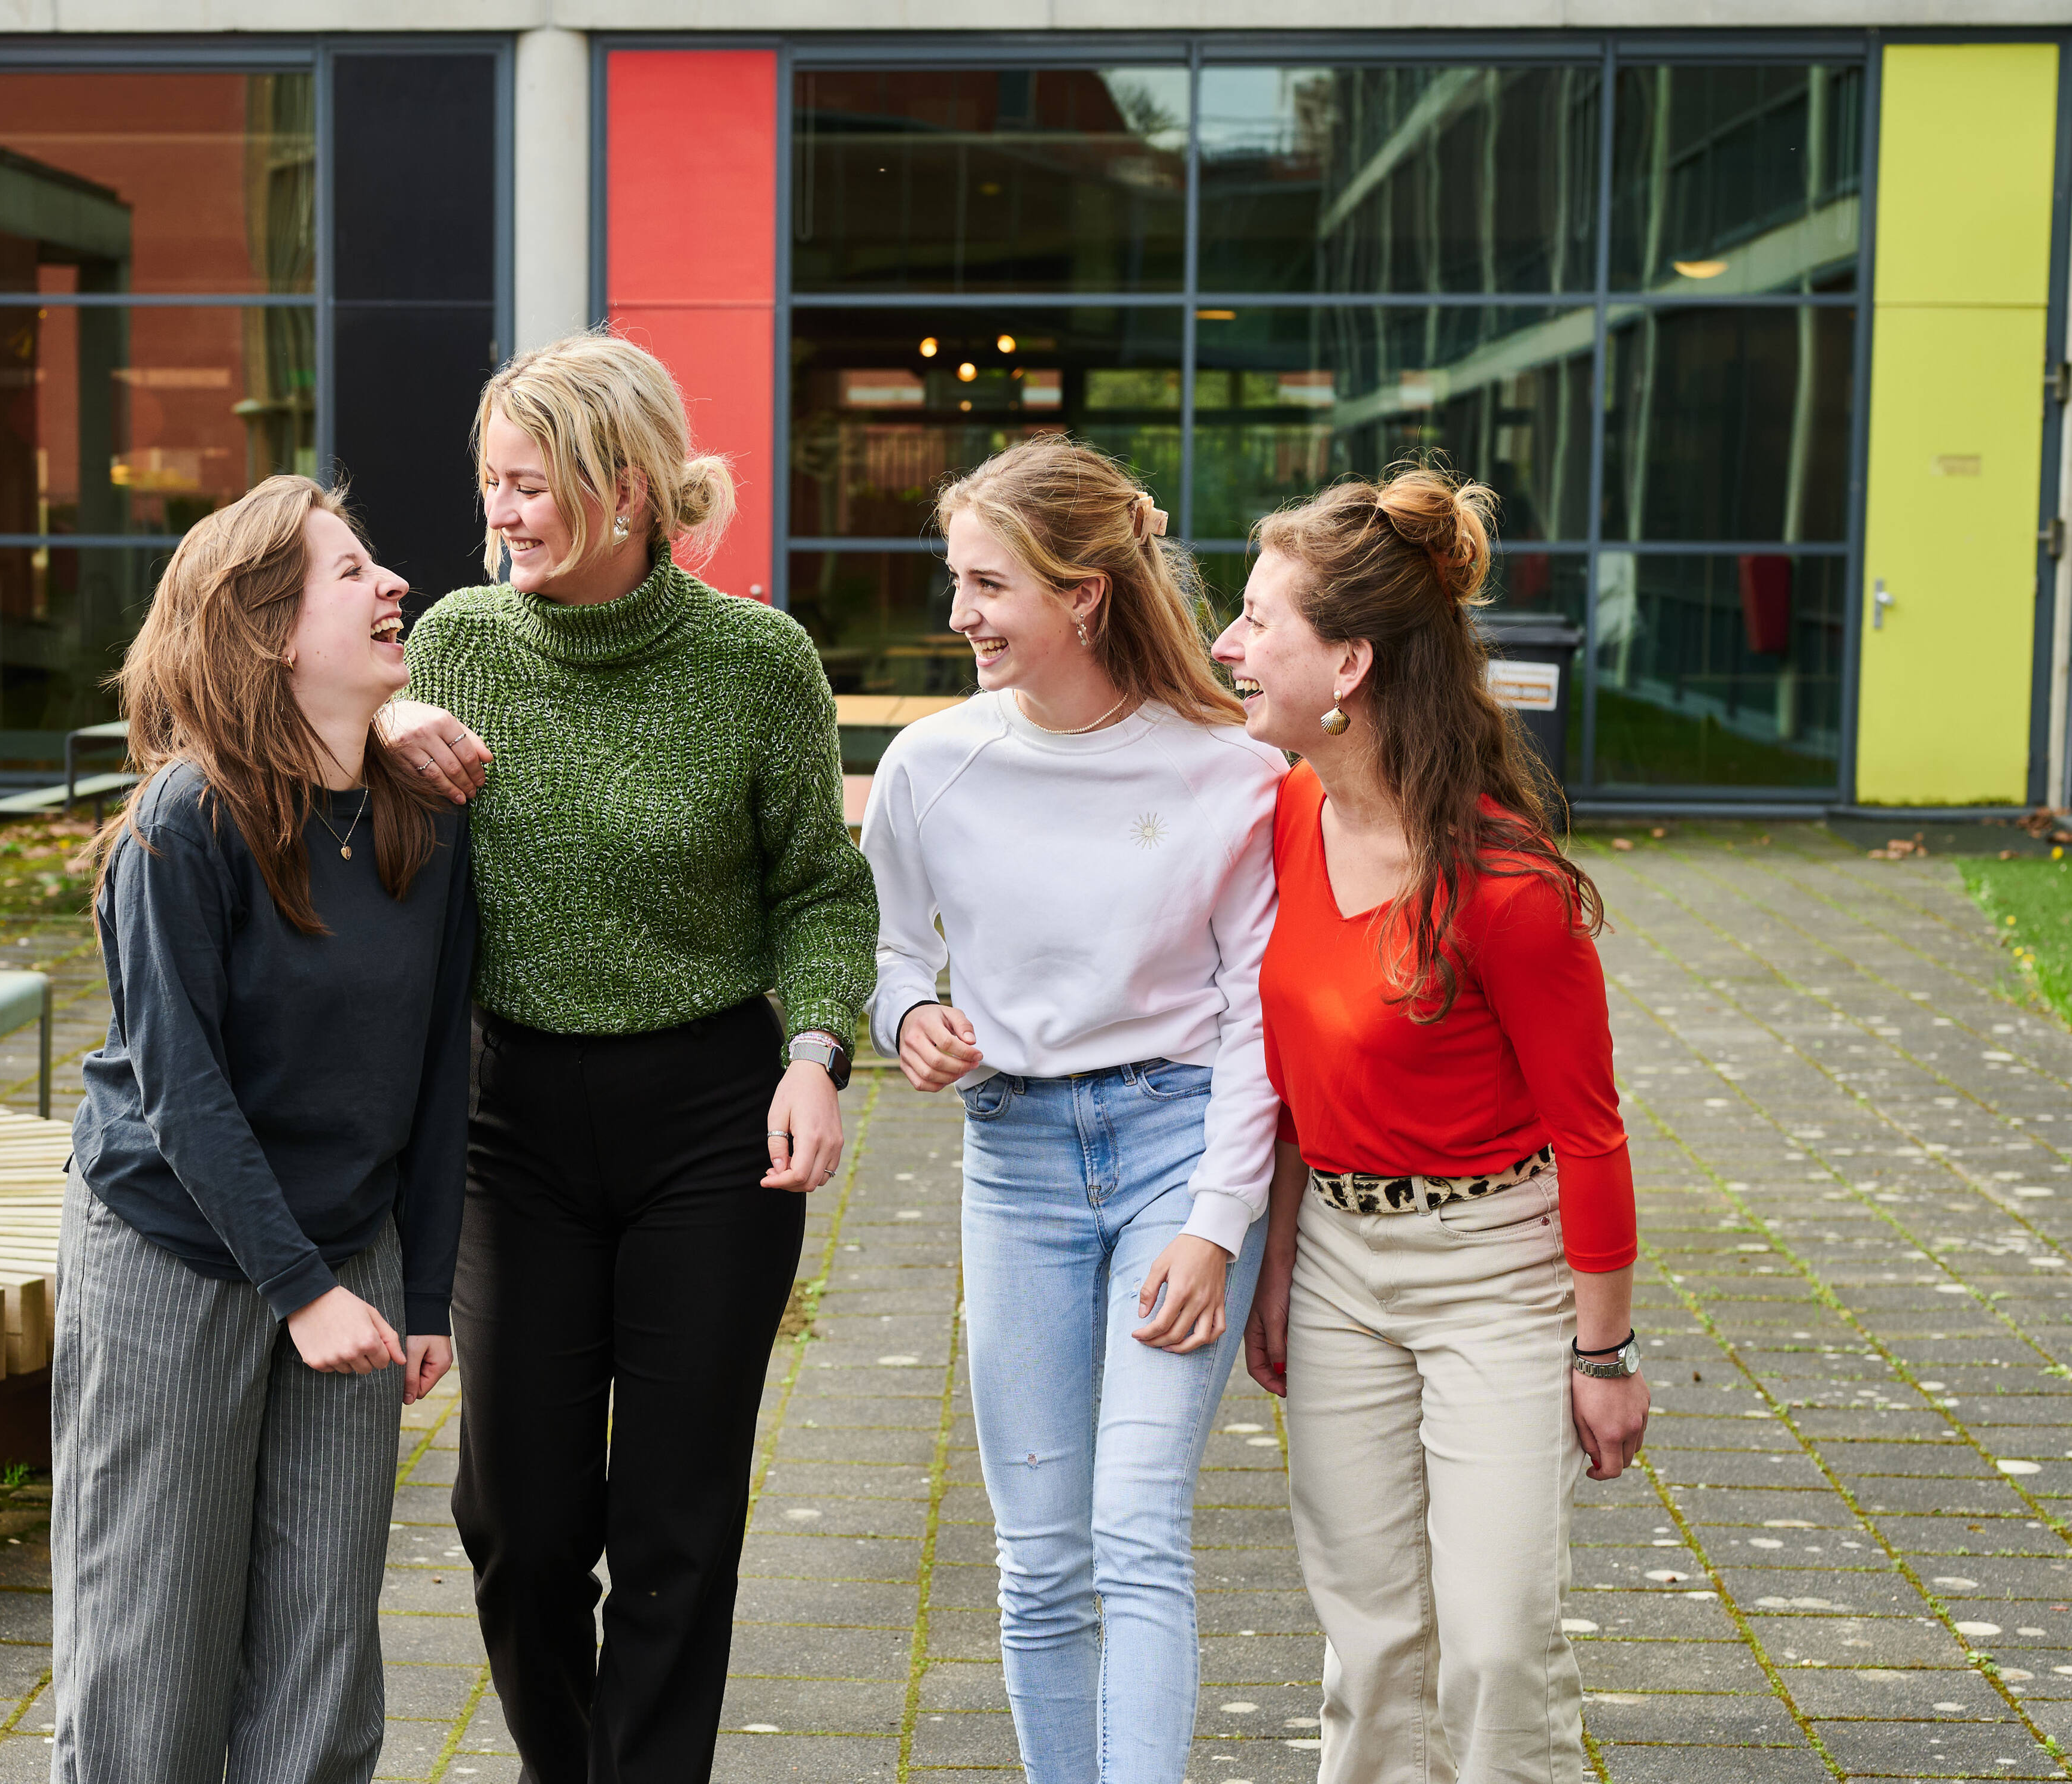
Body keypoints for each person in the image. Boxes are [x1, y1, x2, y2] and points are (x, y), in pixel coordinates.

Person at [374, 330, 879, 1784]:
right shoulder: (455, 644)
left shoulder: (756, 661)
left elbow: (820, 888)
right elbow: (314, 757)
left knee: (674, 1521)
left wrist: (815, 1051)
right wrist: (382, 716)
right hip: (510, 1121)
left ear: (628, 490)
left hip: (710, 1122)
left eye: (530, 484)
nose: (501, 512)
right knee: (516, 1520)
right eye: (492, 482)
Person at [859, 435, 1285, 1783]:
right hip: (1016, 1160)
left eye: (988, 585)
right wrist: (907, 1019)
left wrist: (1219, 1223)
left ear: (1084, 594)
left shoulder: (1231, 771)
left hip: (1179, 1148)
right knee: (1039, 1557)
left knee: (1135, 1528)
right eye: (956, 581)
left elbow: (1255, 1016)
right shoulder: (929, 766)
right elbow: (887, 954)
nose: (959, 614)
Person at [1215, 466, 1648, 1784]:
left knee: (1497, 1643)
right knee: (1370, 1641)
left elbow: (1591, 1135)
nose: (1227, 645)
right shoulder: (1287, 813)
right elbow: (1293, 1086)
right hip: (1340, 1266)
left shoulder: (1508, 888)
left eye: (1256, 621)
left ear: (1348, 664)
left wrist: (1605, 1352)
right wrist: (1280, 1265)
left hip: (1496, 1275)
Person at [50, 474, 477, 1784]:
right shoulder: (183, 823)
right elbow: (183, 1090)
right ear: (271, 630)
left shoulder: (423, 818)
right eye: (350, 571)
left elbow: (438, 1071)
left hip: (349, 1256)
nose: (393, 583)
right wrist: (299, 1291)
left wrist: (422, 1291)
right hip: (174, 1253)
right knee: (153, 1656)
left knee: (322, 1667)